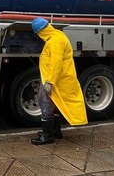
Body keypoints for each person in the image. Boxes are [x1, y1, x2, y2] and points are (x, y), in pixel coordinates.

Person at [29, 17, 88, 145]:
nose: (39, 37)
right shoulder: (57, 36)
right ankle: (55, 131)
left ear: (41, 32)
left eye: (38, 34)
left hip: (56, 80)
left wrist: (50, 82)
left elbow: (56, 63)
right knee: (54, 103)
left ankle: (47, 135)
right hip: (60, 79)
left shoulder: (54, 41)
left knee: (45, 103)